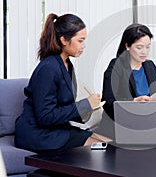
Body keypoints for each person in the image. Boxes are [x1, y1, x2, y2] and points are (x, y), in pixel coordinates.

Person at [15, 13, 109, 152]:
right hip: (38, 133)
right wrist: (85, 105)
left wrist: (89, 107)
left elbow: (64, 107)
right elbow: (45, 116)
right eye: (80, 40)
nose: (84, 46)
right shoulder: (49, 68)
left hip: (57, 129)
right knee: (100, 149)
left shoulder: (67, 65)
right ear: (64, 40)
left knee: (108, 143)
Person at [96, 23, 156, 139]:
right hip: (118, 130)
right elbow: (108, 102)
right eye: (139, 48)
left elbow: (154, 98)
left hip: (145, 126)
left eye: (148, 47)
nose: (144, 52)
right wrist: (133, 102)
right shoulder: (116, 66)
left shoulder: (150, 67)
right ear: (127, 46)